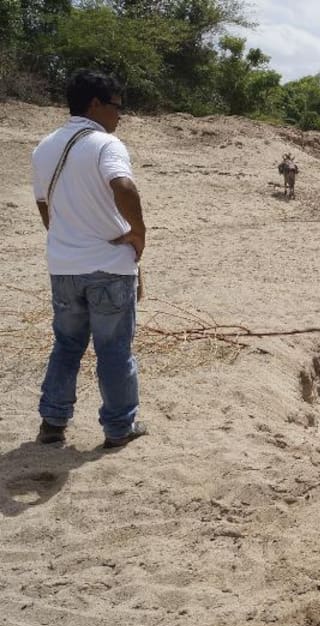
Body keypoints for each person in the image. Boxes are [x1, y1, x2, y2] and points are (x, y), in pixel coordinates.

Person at [30, 70, 148, 448]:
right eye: (116, 107)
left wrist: (67, 237)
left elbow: (43, 206)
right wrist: (138, 232)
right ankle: (119, 428)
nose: (120, 115)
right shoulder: (105, 144)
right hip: (109, 267)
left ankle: (52, 421)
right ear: (95, 104)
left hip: (63, 267)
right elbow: (124, 186)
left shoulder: (44, 147)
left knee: (67, 344)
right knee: (113, 349)